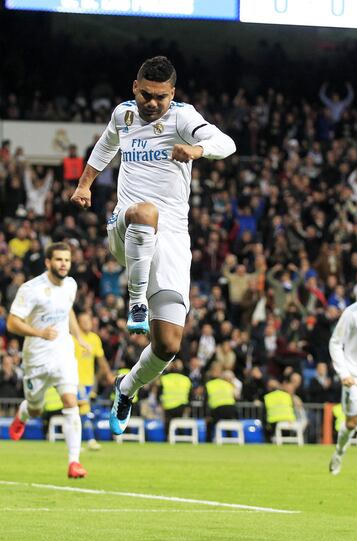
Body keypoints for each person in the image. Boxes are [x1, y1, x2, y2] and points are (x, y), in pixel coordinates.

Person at [70, 56, 236, 435]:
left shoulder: (182, 118)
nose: (152, 103)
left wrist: (197, 150)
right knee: (145, 212)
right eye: (146, 94)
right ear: (135, 87)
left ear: (172, 94)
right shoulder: (123, 115)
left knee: (167, 344)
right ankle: (136, 300)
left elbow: (225, 142)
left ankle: (126, 388)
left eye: (161, 97)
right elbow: (103, 147)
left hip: (174, 237)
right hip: (126, 225)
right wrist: (83, 184)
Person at [6, 242, 90, 479]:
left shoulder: (71, 285)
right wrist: (39, 333)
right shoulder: (31, 289)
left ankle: (74, 461)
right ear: (48, 262)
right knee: (35, 409)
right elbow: (13, 322)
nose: (63, 264)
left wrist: (79, 336)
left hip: (63, 354)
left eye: (67, 260)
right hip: (37, 358)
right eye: (59, 260)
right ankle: (22, 414)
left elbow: (68, 310)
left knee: (70, 401)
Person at [73, 311, 115, 450]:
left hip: (89, 381)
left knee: (80, 411)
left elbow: (101, 359)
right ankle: (89, 440)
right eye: (83, 321)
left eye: (88, 321)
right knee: (83, 408)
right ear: (78, 323)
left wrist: (108, 374)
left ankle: (77, 442)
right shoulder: (73, 339)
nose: (86, 324)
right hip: (75, 380)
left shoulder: (94, 339)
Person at [328, 301, 357, 475]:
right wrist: (344, 374)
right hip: (354, 378)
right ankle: (339, 453)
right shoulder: (352, 313)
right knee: (352, 423)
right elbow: (335, 343)